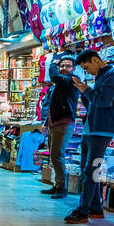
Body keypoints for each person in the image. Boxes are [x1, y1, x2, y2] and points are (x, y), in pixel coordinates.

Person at [64, 50, 114, 225]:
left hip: (101, 130)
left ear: (96, 60)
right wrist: (83, 90)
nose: (87, 71)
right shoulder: (100, 77)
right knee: (86, 169)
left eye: (87, 66)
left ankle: (83, 211)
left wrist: (86, 89)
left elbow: (104, 102)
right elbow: (93, 103)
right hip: (91, 128)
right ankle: (96, 207)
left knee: (91, 170)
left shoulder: (112, 75)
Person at [41, 56, 77, 199]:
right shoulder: (59, 84)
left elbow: (55, 76)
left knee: (58, 156)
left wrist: (53, 64)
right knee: (53, 156)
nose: (63, 68)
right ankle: (57, 185)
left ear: (73, 68)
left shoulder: (71, 80)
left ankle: (62, 188)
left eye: (67, 66)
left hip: (64, 123)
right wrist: (45, 123)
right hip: (53, 123)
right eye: (61, 66)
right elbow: (51, 105)